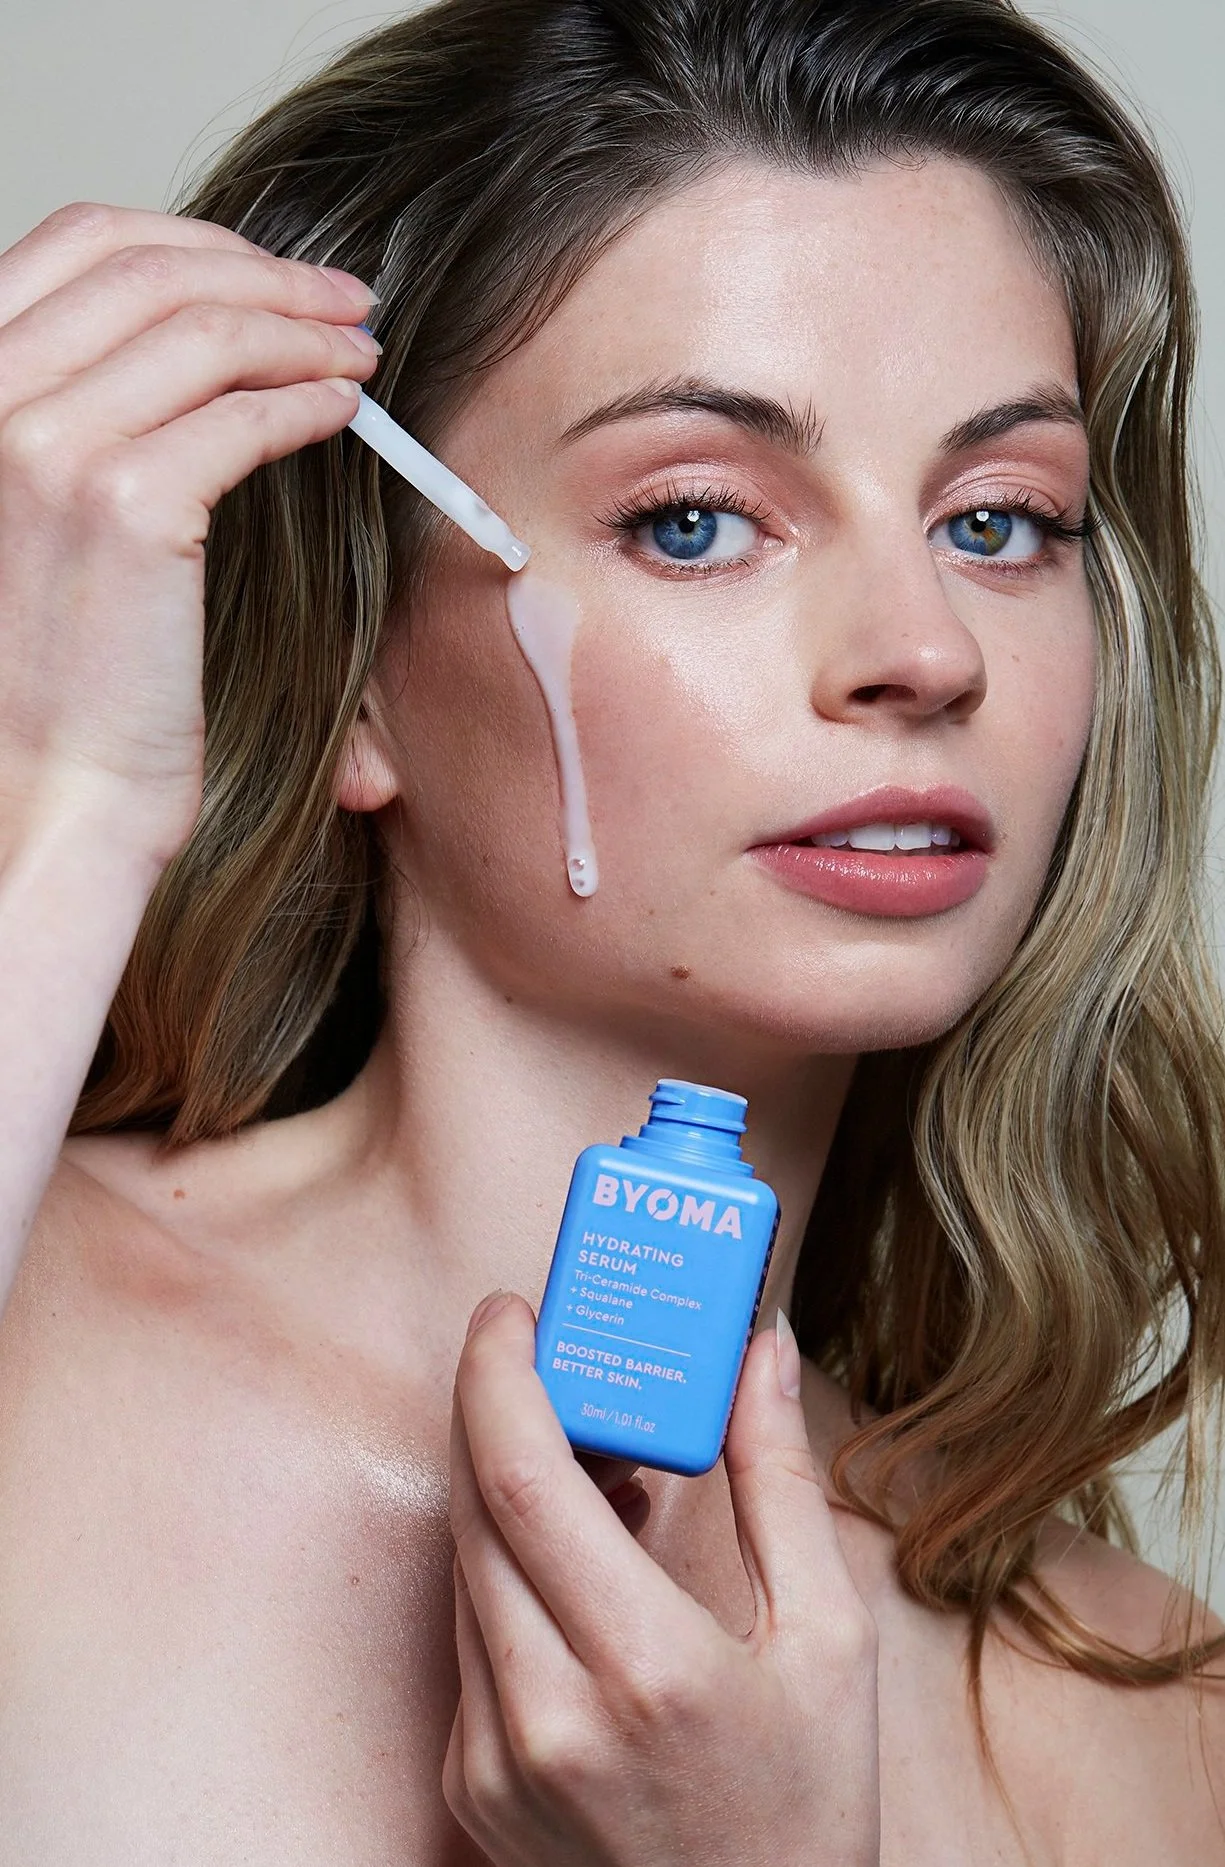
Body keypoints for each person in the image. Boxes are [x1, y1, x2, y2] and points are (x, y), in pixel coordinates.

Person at [1, 0, 1222, 1858]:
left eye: (999, 522)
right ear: (357, 683)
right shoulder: (36, 1344)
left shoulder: (1142, 1714)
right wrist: (66, 797)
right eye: (695, 522)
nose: (926, 649)